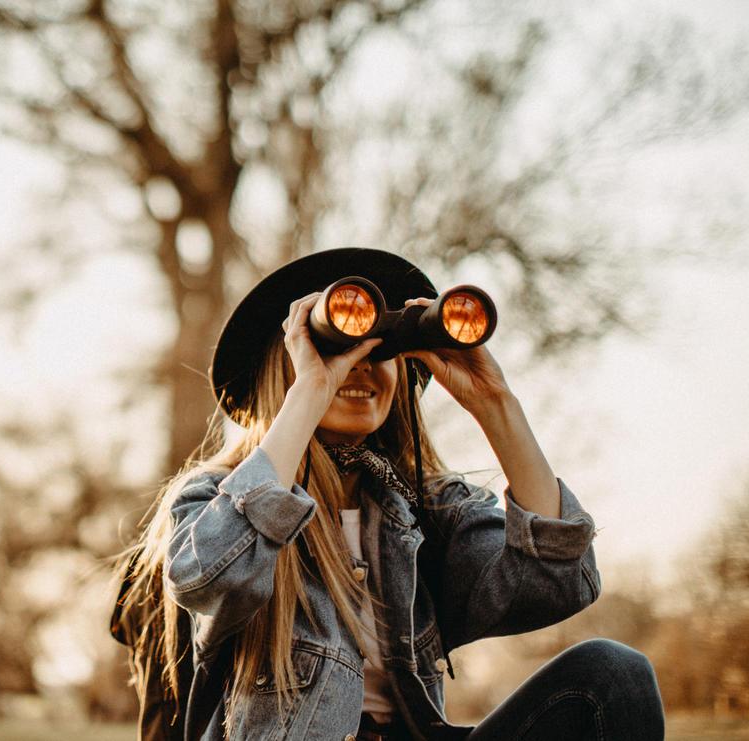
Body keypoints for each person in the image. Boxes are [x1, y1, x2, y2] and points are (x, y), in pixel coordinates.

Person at [111, 248, 663, 740]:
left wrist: (496, 405)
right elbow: (209, 577)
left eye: (384, 350)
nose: (364, 366)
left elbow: (557, 582)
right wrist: (310, 392)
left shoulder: (422, 507)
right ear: (289, 367)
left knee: (613, 676)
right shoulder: (212, 496)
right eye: (341, 348)